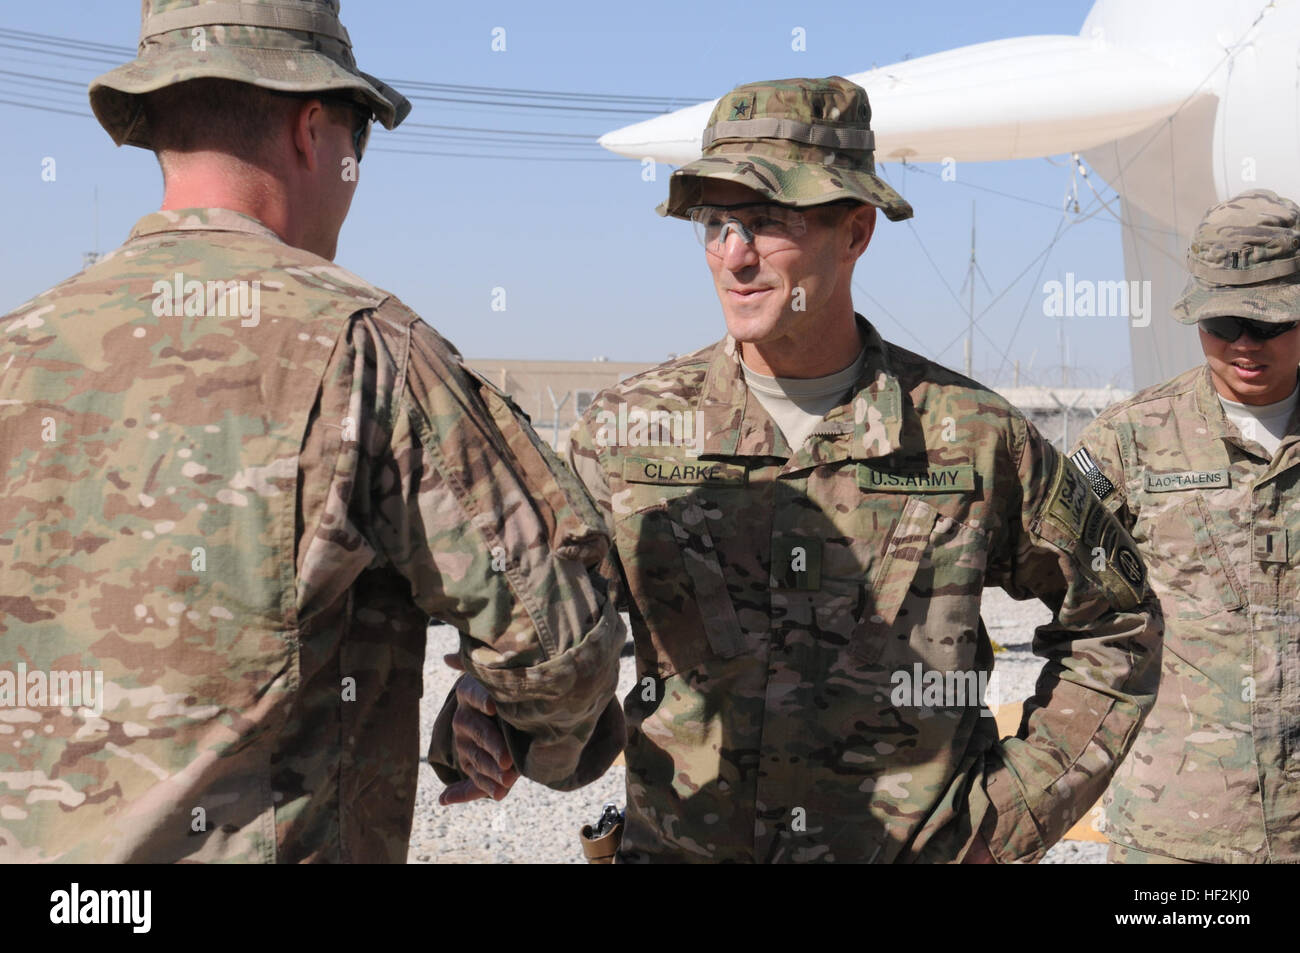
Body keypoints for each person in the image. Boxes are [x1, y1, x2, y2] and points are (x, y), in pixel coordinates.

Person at [457, 75, 1163, 863]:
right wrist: (492, 698)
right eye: (715, 222)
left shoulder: (970, 435)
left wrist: (1005, 817)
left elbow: (1118, 621)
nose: (733, 254)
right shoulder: (629, 431)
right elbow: (547, 611)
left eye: (764, 220)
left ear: (856, 230)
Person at [0, 0, 623, 863]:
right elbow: (562, 648)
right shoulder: (364, 350)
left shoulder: (15, 348)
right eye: (359, 141)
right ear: (313, 127)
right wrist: (516, 732)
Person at [1072, 188, 1300, 864]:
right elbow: (1069, 614)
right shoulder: (1128, 442)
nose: (1244, 344)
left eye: (1269, 323)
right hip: (1176, 839)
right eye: (1223, 322)